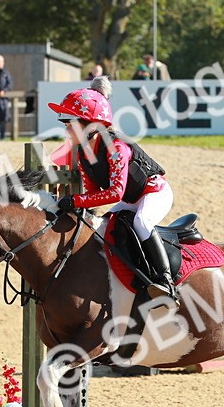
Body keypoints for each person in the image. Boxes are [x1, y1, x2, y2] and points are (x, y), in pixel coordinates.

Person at [47, 77, 178, 302]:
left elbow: (115, 193)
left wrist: (76, 201)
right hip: (130, 198)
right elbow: (93, 193)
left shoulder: (116, 147)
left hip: (154, 192)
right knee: (102, 228)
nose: (67, 129)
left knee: (141, 222)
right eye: (66, 124)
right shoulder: (84, 154)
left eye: (71, 123)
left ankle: (165, 281)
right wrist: (70, 201)